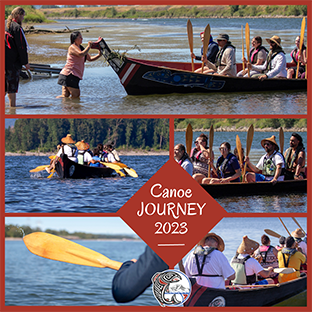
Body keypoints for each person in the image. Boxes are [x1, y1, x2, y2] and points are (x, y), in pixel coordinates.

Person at [57, 31, 102, 98]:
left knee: (65, 96)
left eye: (82, 37)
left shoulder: (81, 48)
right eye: (80, 37)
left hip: (70, 75)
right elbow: (81, 54)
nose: (82, 39)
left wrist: (99, 55)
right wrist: (89, 46)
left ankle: (55, 105)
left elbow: (89, 59)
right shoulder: (72, 47)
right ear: (74, 39)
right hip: (70, 74)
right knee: (75, 96)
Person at [5, 7, 30, 107]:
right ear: (18, 15)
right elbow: (21, 47)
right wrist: (25, 62)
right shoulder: (16, 27)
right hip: (12, 63)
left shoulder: (4, 24)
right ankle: (12, 109)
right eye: (23, 16)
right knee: (12, 88)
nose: (23, 18)